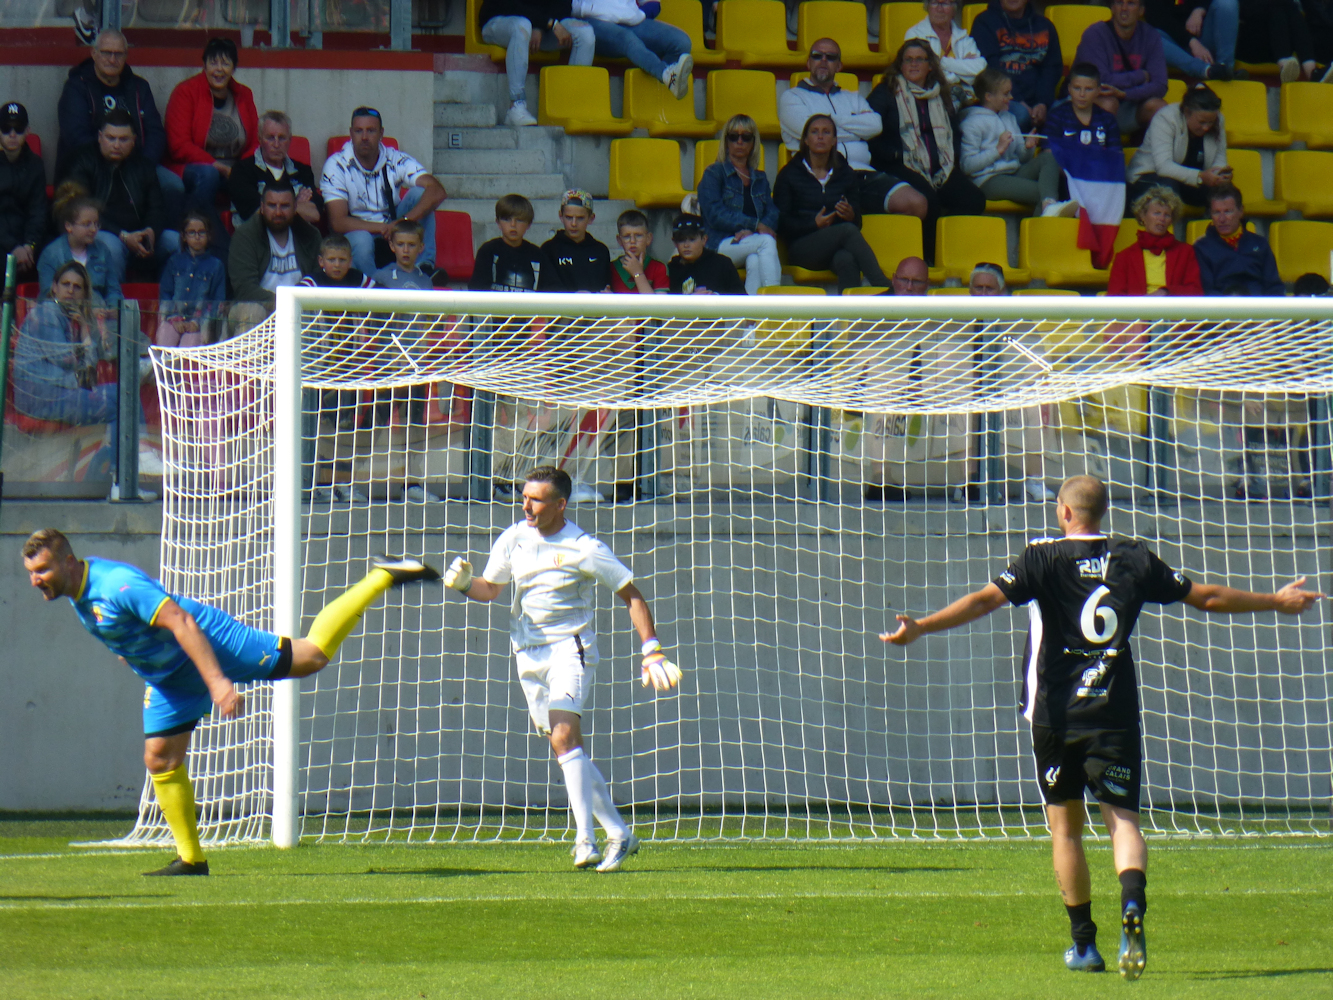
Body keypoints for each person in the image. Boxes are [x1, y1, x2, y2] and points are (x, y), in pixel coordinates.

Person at [882, 475, 1326, 978]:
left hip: (1055, 716)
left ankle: (1084, 945)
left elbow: (986, 600)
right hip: (1112, 714)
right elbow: (1208, 597)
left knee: (1065, 829)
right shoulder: (1133, 558)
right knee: (1124, 821)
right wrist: (1275, 600)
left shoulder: (1041, 558)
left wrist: (921, 626)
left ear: (1064, 513)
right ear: (1103, 512)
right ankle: (1131, 904)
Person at [21, 528, 441, 876]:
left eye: (42, 570)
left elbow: (181, 622)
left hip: (211, 644)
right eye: (31, 572)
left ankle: (382, 576)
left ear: (69, 562)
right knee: (160, 759)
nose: (36, 579)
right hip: (171, 680)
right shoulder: (78, 596)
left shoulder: (116, 585)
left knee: (310, 656)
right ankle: (191, 860)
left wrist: (219, 682)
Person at [440, 466, 682, 871]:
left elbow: (632, 595)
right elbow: (491, 589)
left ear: (560, 504)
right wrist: (466, 583)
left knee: (566, 736)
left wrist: (652, 650)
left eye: (536, 499)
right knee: (564, 746)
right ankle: (619, 833)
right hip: (526, 655)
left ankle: (584, 840)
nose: (526, 506)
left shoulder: (584, 547)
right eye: (524, 497)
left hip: (570, 650)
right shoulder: (514, 537)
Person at [867, 41, 987, 265]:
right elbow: (870, 132)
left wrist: (951, 163)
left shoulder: (940, 94)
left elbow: (953, 133)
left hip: (940, 166)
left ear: (930, 65)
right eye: (908, 59)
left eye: (919, 59)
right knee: (928, 200)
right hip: (900, 163)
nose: (913, 64)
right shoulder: (885, 91)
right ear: (900, 65)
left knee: (974, 200)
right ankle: (927, 260)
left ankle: (944, 241)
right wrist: (895, 155)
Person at [779, 39, 925, 220]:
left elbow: (875, 125)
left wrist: (828, 122)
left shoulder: (852, 97)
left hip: (861, 173)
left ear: (839, 66)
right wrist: (856, 126)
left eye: (831, 57)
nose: (823, 61)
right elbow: (808, 131)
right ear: (808, 63)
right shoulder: (792, 97)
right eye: (817, 56)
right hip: (821, 177)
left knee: (917, 203)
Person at [54, 29, 182, 216]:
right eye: (106, 53)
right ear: (94, 54)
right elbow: (76, 136)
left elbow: (155, 132)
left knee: (174, 185)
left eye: (118, 54)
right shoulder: (76, 86)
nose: (112, 59)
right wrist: (112, 161)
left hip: (137, 163)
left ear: (126, 56)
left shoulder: (139, 87)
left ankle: (164, 237)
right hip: (94, 167)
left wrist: (142, 166)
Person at [961, 262, 1054, 503]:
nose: (982, 294)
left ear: (1002, 291)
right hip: (967, 392)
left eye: (989, 289)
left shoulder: (1019, 321)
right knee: (964, 403)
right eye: (978, 288)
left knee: (1037, 402)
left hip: (1011, 392)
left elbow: (1038, 363)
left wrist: (1020, 387)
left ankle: (1034, 480)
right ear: (970, 291)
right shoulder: (958, 320)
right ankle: (969, 482)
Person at [322, 107, 446, 277]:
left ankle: (422, 269)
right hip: (358, 232)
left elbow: (437, 191)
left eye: (371, 131)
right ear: (351, 133)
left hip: (394, 222)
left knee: (420, 194)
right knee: (362, 239)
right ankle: (373, 285)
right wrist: (384, 228)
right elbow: (338, 222)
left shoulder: (395, 158)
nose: (364, 137)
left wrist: (403, 221)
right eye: (359, 131)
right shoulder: (336, 165)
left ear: (381, 134)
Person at [775, 115, 890, 294]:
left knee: (846, 259)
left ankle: (847, 319)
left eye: (826, 132)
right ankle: (883, 287)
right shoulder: (789, 174)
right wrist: (813, 224)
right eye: (814, 132)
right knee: (846, 231)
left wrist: (851, 215)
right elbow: (781, 223)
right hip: (801, 248)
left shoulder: (845, 173)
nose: (820, 137)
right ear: (806, 140)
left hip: (835, 246)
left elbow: (856, 222)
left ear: (834, 140)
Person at [163, 37, 259, 246]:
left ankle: (256, 246)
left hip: (235, 167)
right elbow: (178, 145)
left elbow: (254, 143)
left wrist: (241, 168)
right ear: (204, 64)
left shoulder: (244, 94)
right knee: (209, 175)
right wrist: (216, 166)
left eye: (225, 63)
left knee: (256, 180)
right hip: (194, 166)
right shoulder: (186, 92)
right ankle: (210, 242)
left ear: (234, 67)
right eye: (213, 63)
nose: (219, 69)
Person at [66, 109, 179, 278]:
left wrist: (150, 232)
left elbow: (156, 208)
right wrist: (124, 237)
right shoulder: (83, 161)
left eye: (123, 139)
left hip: (138, 235)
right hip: (103, 232)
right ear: (99, 137)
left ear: (134, 140)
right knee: (111, 246)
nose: (116, 145)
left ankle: (168, 300)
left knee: (175, 241)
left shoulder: (143, 165)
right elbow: (80, 211)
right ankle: (115, 301)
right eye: (110, 138)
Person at [10, 261, 116, 426]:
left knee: (123, 395)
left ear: (84, 293)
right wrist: (83, 361)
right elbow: (67, 362)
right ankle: (140, 450)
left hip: (61, 393)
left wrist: (84, 330)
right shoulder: (47, 313)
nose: (71, 290)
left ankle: (128, 450)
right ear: (54, 287)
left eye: (77, 287)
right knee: (120, 403)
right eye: (66, 284)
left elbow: (89, 367)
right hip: (41, 399)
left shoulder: (71, 318)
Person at [960, 67, 1071, 216]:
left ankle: (1048, 207)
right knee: (1043, 192)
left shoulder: (1009, 117)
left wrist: (1028, 147)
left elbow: (1022, 158)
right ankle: (1044, 225)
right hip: (988, 179)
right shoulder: (972, 122)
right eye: (1006, 94)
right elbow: (967, 166)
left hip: (1014, 171)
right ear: (988, 97)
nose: (1011, 97)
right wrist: (997, 150)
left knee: (1049, 157)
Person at [696, 114, 781, 294]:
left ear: (753, 142)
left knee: (755, 260)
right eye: (733, 136)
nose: (739, 141)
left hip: (751, 242)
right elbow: (714, 214)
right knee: (766, 242)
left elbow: (772, 212)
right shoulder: (714, 173)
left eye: (746, 137)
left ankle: (749, 318)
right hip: (718, 243)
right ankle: (776, 305)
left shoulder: (760, 177)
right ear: (726, 141)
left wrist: (754, 231)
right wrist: (755, 226)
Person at [479, 0, 595, 126]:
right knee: (522, 26)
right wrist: (547, 23)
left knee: (585, 34)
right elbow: (508, 5)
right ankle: (516, 106)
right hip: (499, 20)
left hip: (540, 25)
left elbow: (564, 6)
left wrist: (541, 27)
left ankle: (572, 107)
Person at [1074, 0, 1168, 136]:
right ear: (1112, 8)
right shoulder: (1095, 34)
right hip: (1086, 103)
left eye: (1131, 3)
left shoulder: (1151, 36)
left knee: (1159, 108)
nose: (1124, 8)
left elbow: (1160, 85)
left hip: (1127, 104)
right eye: (1119, 2)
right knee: (1109, 103)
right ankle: (1096, 153)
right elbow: (1099, 82)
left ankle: (1146, 155)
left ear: (1141, 11)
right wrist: (1141, 76)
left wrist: (1125, 94)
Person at [1127, 84, 1227, 210]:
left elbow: (1220, 156)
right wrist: (1201, 176)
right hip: (1148, 176)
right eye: (1201, 122)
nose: (1206, 127)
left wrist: (1220, 175)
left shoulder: (1218, 120)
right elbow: (1163, 166)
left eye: (1210, 122)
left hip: (1189, 180)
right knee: (1168, 188)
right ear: (1186, 112)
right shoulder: (1165, 118)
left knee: (1225, 193)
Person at [228, 179, 321, 315]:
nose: (278, 212)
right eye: (272, 205)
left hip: (300, 310)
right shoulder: (245, 236)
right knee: (251, 311)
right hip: (258, 307)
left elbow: (318, 280)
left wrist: (296, 305)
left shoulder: (311, 235)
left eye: (284, 206)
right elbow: (245, 289)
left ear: (295, 207)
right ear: (262, 207)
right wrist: (285, 304)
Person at [970, 0, 1063, 132]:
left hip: (1038, 100)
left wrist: (1042, 103)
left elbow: (1052, 68)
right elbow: (991, 67)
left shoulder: (1045, 26)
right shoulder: (984, 22)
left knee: (1067, 111)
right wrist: (1018, 100)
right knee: (1021, 115)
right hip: (1004, 100)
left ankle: (1048, 150)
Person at [574, 0, 693, 100]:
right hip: (592, 20)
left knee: (681, 42)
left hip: (631, 21)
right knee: (628, 39)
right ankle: (666, 75)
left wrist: (639, 15)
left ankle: (656, 96)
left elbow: (653, 3)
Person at [227, 110, 321, 226]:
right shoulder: (242, 170)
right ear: (260, 139)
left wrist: (269, 207)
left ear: (290, 140)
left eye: (282, 138)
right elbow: (251, 213)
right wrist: (295, 204)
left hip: (296, 239)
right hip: (258, 240)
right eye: (270, 138)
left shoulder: (303, 171)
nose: (276, 144)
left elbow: (314, 214)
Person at [1108, 185, 1201, 296]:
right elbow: (1115, 298)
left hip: (1174, 311)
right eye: (1157, 213)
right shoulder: (1123, 258)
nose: (1162, 219)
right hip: (1137, 312)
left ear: (1171, 220)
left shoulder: (1186, 252)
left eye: (1167, 215)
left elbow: (1195, 291)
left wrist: (1165, 292)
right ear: (1142, 216)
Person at [1193, 184, 1281, 297]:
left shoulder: (1260, 244)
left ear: (1241, 211)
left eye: (1228, 211)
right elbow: (1207, 291)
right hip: (1221, 310)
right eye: (1216, 212)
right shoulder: (1202, 249)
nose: (1222, 219)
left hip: (1258, 310)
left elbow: (1274, 287)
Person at [156, 211, 227, 349]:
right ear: (183, 236)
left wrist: (197, 323)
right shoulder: (174, 262)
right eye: (192, 232)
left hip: (200, 323)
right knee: (164, 338)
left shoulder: (216, 265)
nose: (197, 237)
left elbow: (217, 301)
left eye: (201, 232)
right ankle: (160, 370)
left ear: (209, 235)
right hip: (174, 319)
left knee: (189, 345)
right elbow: (165, 293)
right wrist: (173, 318)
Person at [38, 194, 122, 305]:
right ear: (69, 226)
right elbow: (47, 296)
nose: (93, 229)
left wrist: (112, 310)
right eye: (86, 224)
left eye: (96, 224)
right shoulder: (51, 254)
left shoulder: (103, 251)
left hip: (99, 315)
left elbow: (113, 290)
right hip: (62, 315)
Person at [906, 0, 988, 102]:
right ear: (927, 7)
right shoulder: (915, 34)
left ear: (954, 9)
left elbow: (979, 70)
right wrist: (960, 73)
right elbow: (922, 74)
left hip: (966, 100)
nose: (939, 9)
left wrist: (941, 62)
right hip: (929, 99)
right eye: (935, 2)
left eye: (945, 3)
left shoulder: (963, 37)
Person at [0, 103, 48, 276]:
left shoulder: (35, 165)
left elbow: (38, 211)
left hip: (27, 242)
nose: (12, 134)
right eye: (6, 129)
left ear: (27, 131)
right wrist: (14, 247)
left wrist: (29, 245)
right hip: (3, 240)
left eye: (18, 129)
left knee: (51, 256)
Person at [1143, 0, 1240, 81]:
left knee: (1227, 3)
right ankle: (1206, 70)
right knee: (1147, 35)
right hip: (1173, 46)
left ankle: (1225, 68)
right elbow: (1157, 19)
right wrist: (1191, 41)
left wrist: (1199, 10)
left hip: (1204, 37)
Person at [471, 193, 550, 291]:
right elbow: (477, 290)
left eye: (519, 220)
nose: (513, 224)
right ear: (498, 223)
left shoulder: (538, 255)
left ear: (529, 224)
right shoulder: (488, 251)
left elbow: (550, 291)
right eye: (507, 219)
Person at [542, 190, 612, 292]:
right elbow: (546, 289)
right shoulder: (549, 249)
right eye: (569, 217)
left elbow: (606, 287)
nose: (574, 224)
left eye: (580, 218)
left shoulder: (601, 251)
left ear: (591, 218)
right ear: (560, 216)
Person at [1237, 0, 1318, 83]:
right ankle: (1305, 70)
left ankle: (1312, 73)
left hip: (1275, 48)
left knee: (1290, 7)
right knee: (1279, 5)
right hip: (1250, 46)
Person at [667, 212, 745, 294]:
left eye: (692, 239)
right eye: (681, 240)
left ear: (704, 240)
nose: (686, 245)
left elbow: (742, 300)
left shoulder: (722, 264)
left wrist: (716, 297)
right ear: (675, 243)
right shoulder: (671, 271)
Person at [610, 208, 668, 293]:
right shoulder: (611, 268)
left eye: (638, 235)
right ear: (619, 240)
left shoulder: (659, 268)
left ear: (648, 238)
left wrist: (638, 274)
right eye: (627, 236)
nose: (632, 241)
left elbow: (658, 305)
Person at [372, 218, 435, 290]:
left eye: (411, 245)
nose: (406, 250)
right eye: (400, 244)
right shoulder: (381, 277)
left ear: (421, 247)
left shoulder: (426, 281)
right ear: (392, 246)